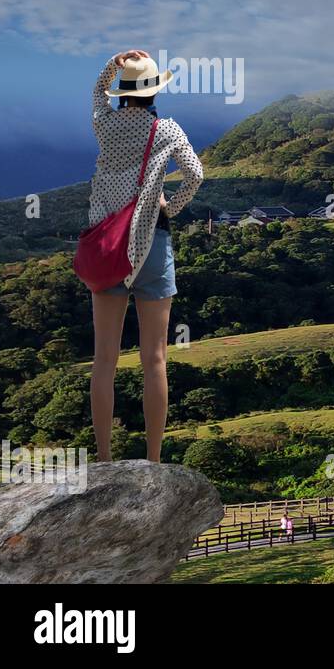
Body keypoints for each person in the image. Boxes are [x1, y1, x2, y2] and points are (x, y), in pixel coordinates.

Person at [88, 51, 203, 463]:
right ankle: (153, 461)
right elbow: (196, 173)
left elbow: (97, 97)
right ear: (154, 91)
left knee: (105, 360)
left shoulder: (105, 125)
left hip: (108, 248)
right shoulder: (167, 129)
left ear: (123, 93)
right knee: (154, 358)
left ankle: (104, 459)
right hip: (152, 243)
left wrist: (111, 65)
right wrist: (171, 205)